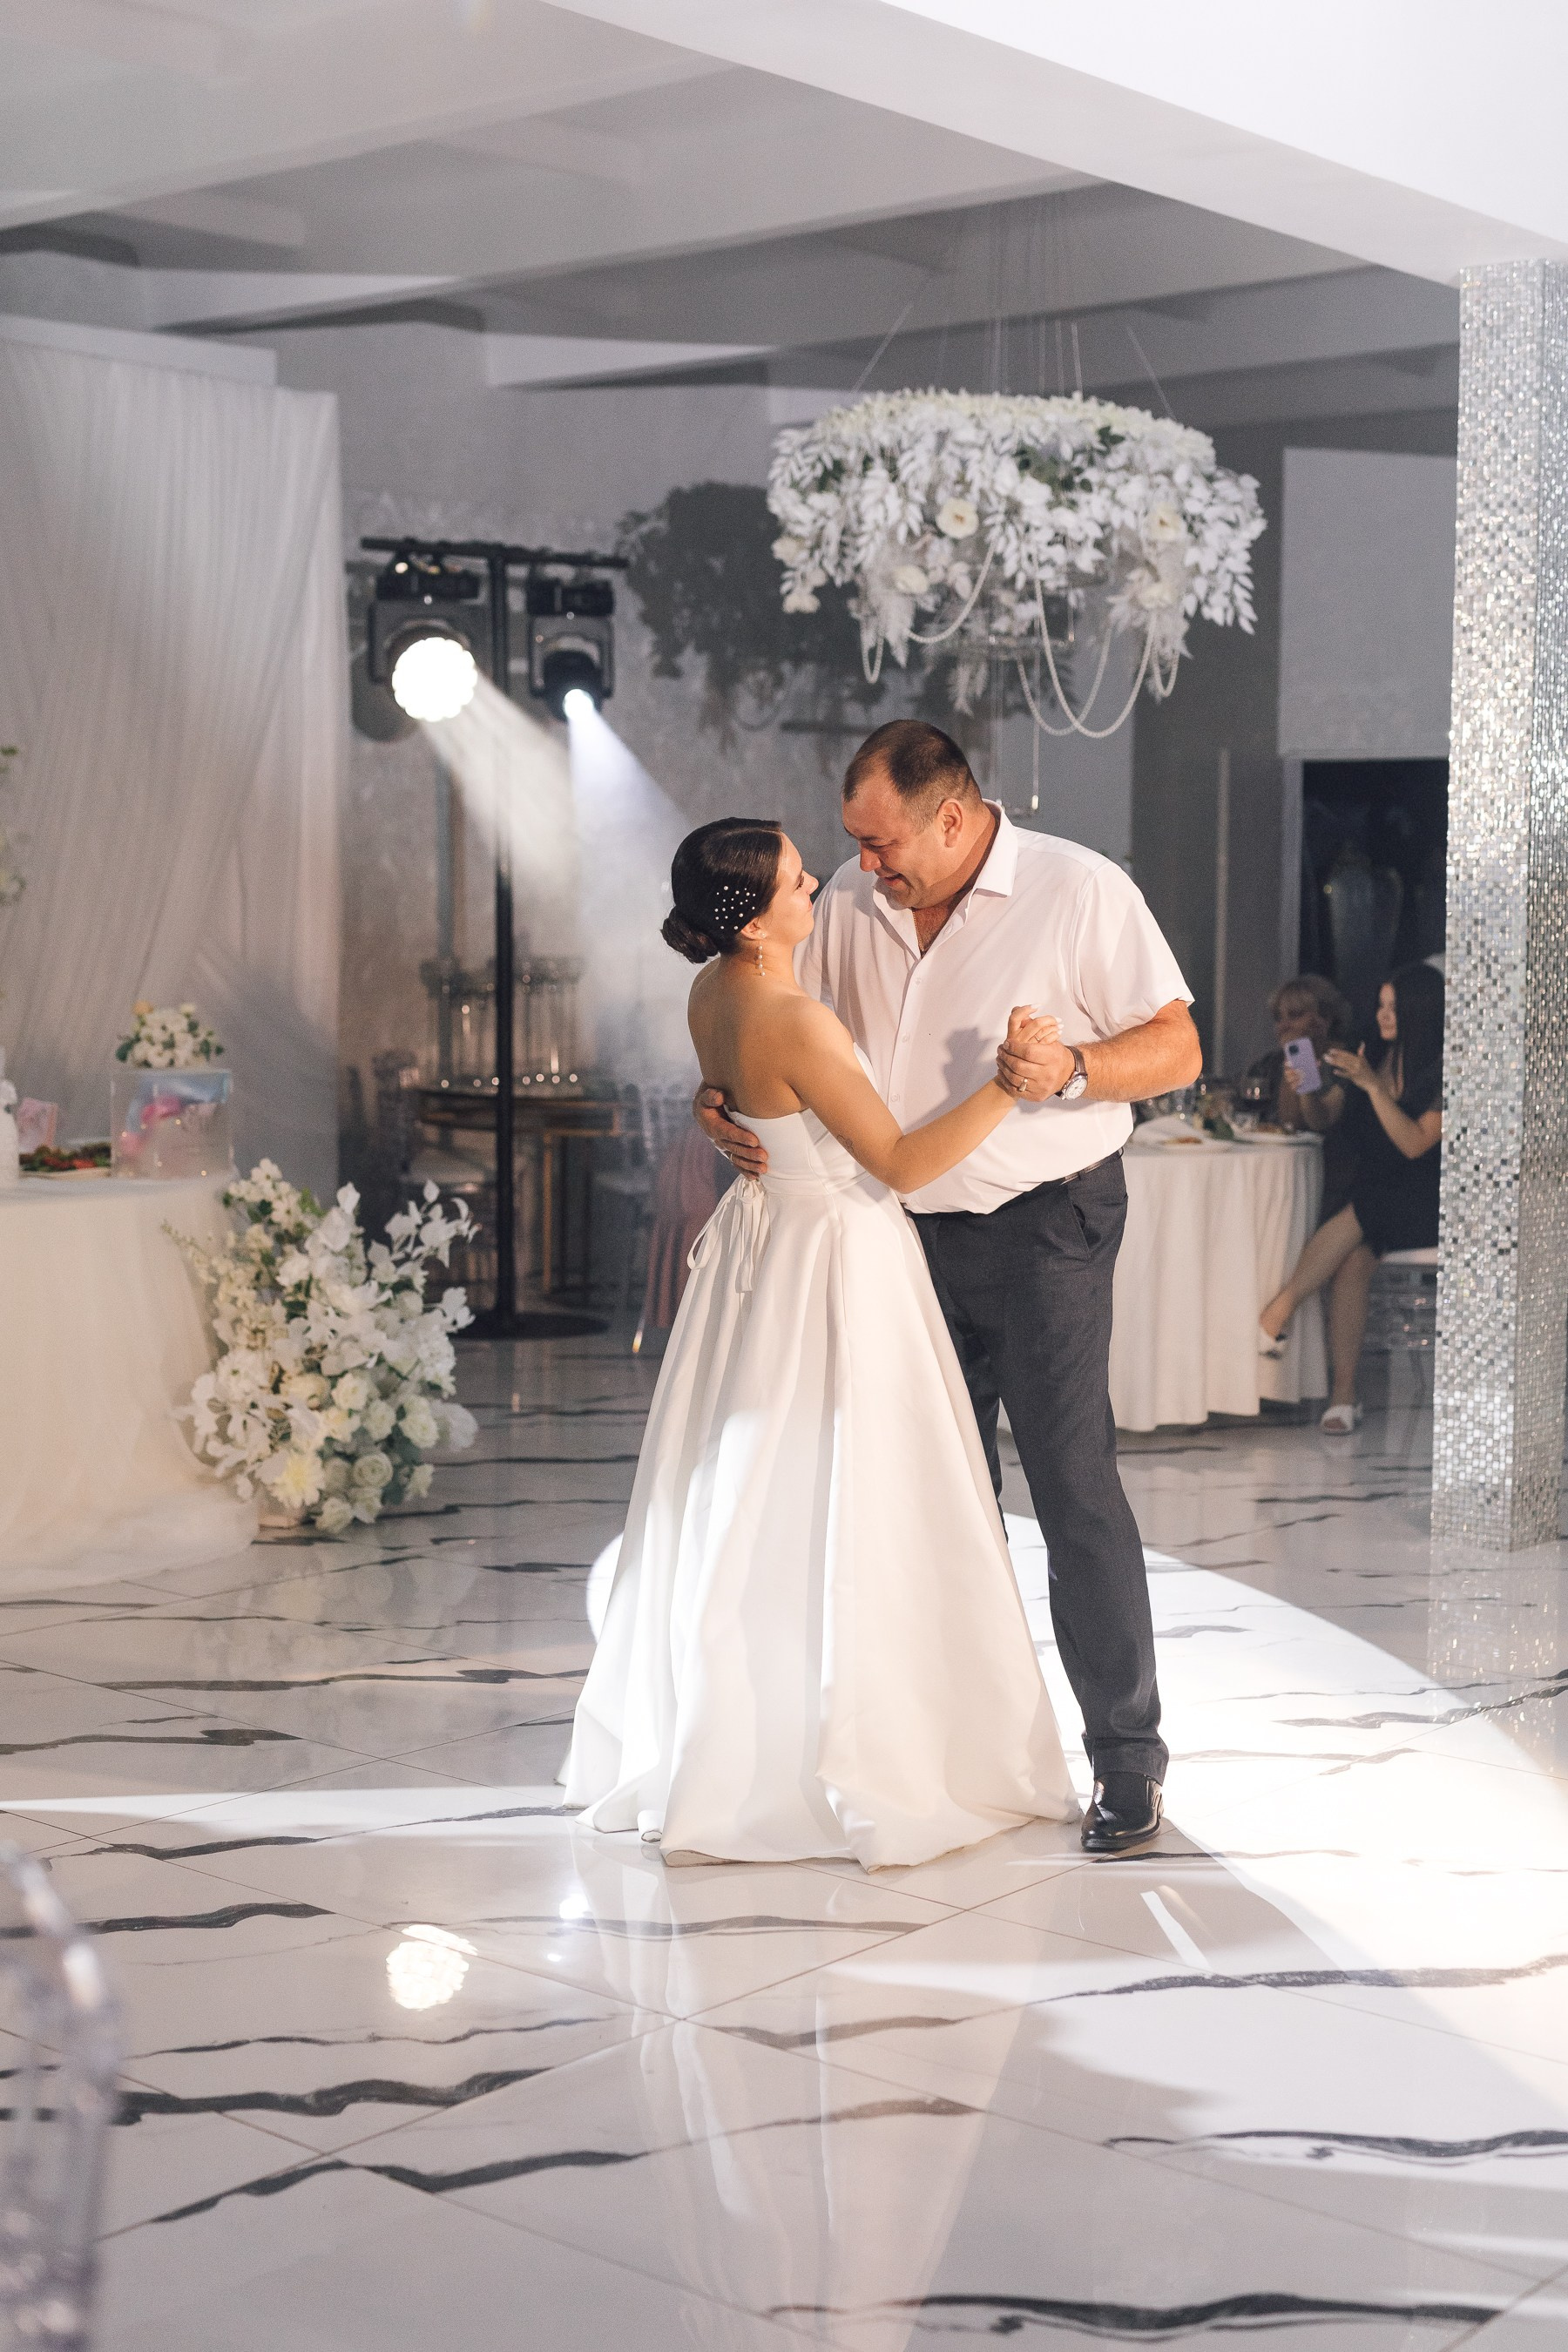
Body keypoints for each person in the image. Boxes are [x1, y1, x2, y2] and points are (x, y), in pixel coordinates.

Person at [698, 721, 1201, 1856]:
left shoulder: (1080, 889)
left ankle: (1127, 1757)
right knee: (924, 1496)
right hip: (893, 1238)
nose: (863, 865)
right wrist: (719, 1095)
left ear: (956, 819)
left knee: (1071, 1485)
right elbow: (771, 1012)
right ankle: (946, 1758)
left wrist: (1073, 1068)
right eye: (853, 845)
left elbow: (1178, 1048)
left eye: (882, 844)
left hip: (1046, 1227)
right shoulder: (847, 901)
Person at [564, 815, 1078, 1869]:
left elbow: (739, 1095)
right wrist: (1006, 1084)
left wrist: (716, 1110)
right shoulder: (795, 1018)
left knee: (764, 1492)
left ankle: (757, 1734)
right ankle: (868, 1750)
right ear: (754, 921)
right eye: (798, 882)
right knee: (858, 1496)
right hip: (835, 1256)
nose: (816, 890)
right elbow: (900, 1163)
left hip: (765, 1249)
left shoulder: (712, 990)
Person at [1258, 961, 1444, 1434]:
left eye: (1393, 1008)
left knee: (1368, 1202)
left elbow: (1414, 1144)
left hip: (1426, 1201)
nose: (1382, 1016)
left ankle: (1281, 1308)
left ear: (1419, 1011)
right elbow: (1325, 1119)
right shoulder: (1372, 1052)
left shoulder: (1444, 1071)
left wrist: (1373, 1086)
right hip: (1378, 1197)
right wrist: (1308, 1091)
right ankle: (1343, 1396)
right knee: (1352, 1262)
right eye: (1381, 1005)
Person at [1241, 973, 1357, 1219]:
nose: (1283, 1026)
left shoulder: (1344, 1063)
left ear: (1324, 1019)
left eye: (1294, 1015)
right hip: (1270, 1177)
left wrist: (1297, 1056)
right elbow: (1237, 1107)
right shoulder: (1268, 1064)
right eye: (1278, 1018)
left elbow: (1297, 1122)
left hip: (1325, 1182)